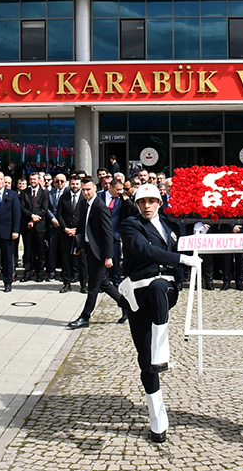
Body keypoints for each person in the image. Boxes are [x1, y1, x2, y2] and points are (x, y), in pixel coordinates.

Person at [118, 183, 200, 442]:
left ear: (159, 203)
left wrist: (199, 233)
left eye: (152, 201)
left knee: (157, 287)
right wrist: (179, 259)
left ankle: (162, 350)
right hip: (138, 293)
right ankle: (157, 417)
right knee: (145, 360)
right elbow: (143, 250)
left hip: (163, 288)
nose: (147, 206)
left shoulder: (171, 226)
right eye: (143, 202)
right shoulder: (130, 225)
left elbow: (185, 244)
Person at [67, 176, 127, 329]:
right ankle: (126, 305)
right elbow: (81, 225)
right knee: (104, 283)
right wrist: (78, 246)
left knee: (93, 285)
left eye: (88, 189)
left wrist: (108, 256)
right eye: (83, 190)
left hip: (100, 252)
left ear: (94, 188)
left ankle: (85, 316)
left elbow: (107, 232)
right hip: (89, 248)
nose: (85, 192)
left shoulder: (100, 206)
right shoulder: (84, 204)